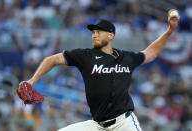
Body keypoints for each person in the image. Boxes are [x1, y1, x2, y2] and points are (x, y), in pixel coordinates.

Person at [25, 9, 180, 131]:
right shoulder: (85, 56)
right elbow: (52, 59)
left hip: (123, 124)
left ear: (111, 35)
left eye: (99, 32)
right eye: (93, 32)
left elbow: (151, 53)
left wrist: (169, 31)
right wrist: (31, 81)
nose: (94, 35)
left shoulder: (126, 57)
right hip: (96, 125)